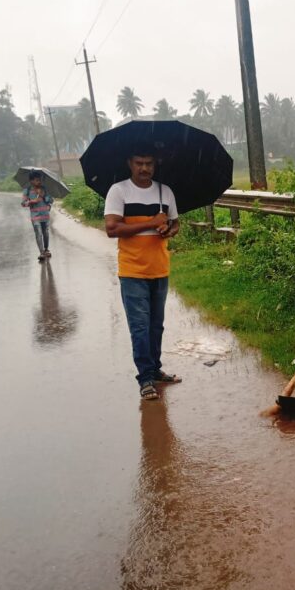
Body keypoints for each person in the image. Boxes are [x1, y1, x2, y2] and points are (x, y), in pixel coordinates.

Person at [104, 143, 181, 401]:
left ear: (154, 164)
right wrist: (150, 222)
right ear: (130, 163)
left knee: (155, 326)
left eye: (149, 163)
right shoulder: (119, 191)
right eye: (139, 163)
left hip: (160, 268)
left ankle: (155, 369)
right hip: (133, 271)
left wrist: (167, 229)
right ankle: (145, 378)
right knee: (139, 327)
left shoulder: (165, 191)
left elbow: (175, 223)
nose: (144, 168)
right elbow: (112, 228)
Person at [21, 172, 53, 262]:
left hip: (45, 215)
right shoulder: (27, 190)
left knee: (45, 233)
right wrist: (31, 202)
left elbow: (50, 200)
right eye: (36, 180)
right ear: (31, 181)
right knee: (38, 233)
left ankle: (46, 249)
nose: (39, 181)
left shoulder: (44, 189)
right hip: (35, 216)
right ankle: (41, 252)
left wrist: (43, 195)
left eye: (39, 180)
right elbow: (23, 203)